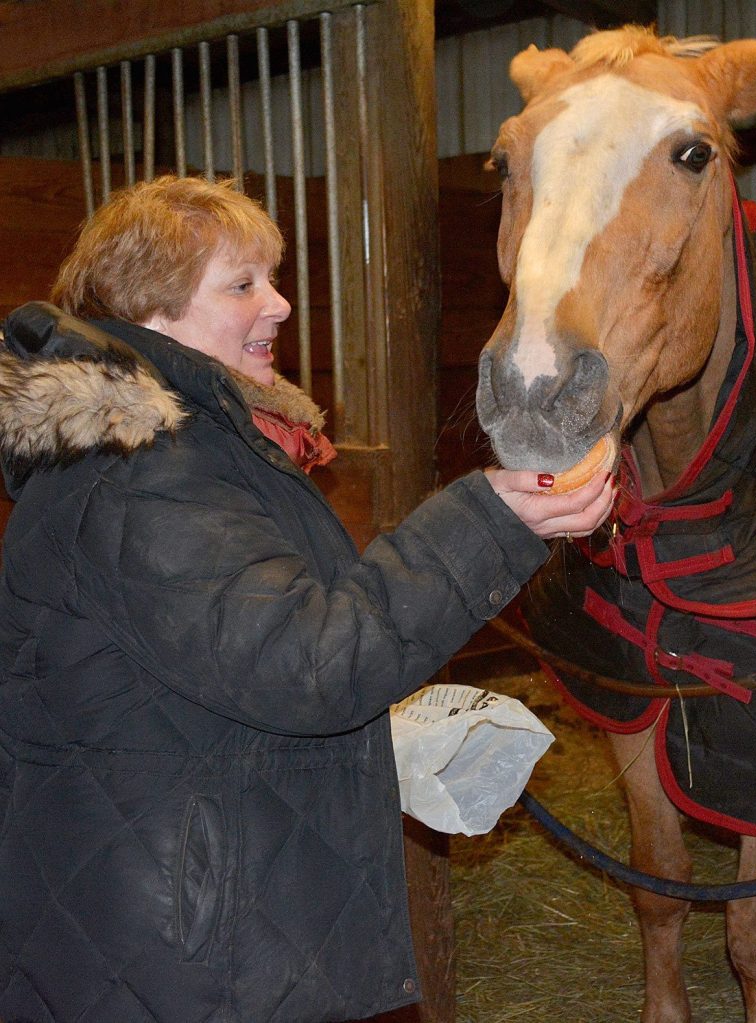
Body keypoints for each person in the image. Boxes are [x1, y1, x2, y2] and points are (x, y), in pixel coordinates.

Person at [0, 176, 613, 1023]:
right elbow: (308, 664)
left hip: (175, 927)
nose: (281, 304)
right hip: (175, 960)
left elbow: (221, 671)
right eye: (243, 284)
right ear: (154, 311)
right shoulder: (142, 470)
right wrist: (490, 520)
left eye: (273, 278)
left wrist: (370, 747)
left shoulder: (187, 449)